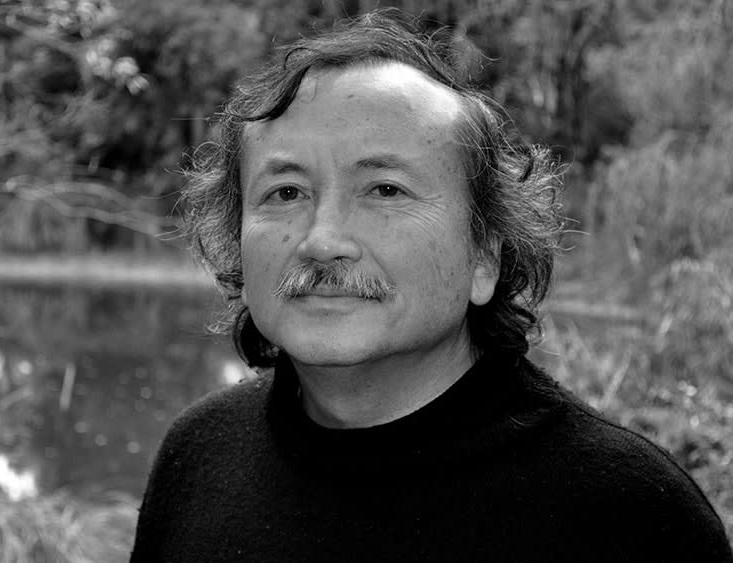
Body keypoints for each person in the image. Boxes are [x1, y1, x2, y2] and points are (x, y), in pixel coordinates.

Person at [130, 12, 733, 563]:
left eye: (385, 190)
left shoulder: (629, 518)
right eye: (285, 193)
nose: (323, 239)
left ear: (484, 255)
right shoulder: (199, 456)